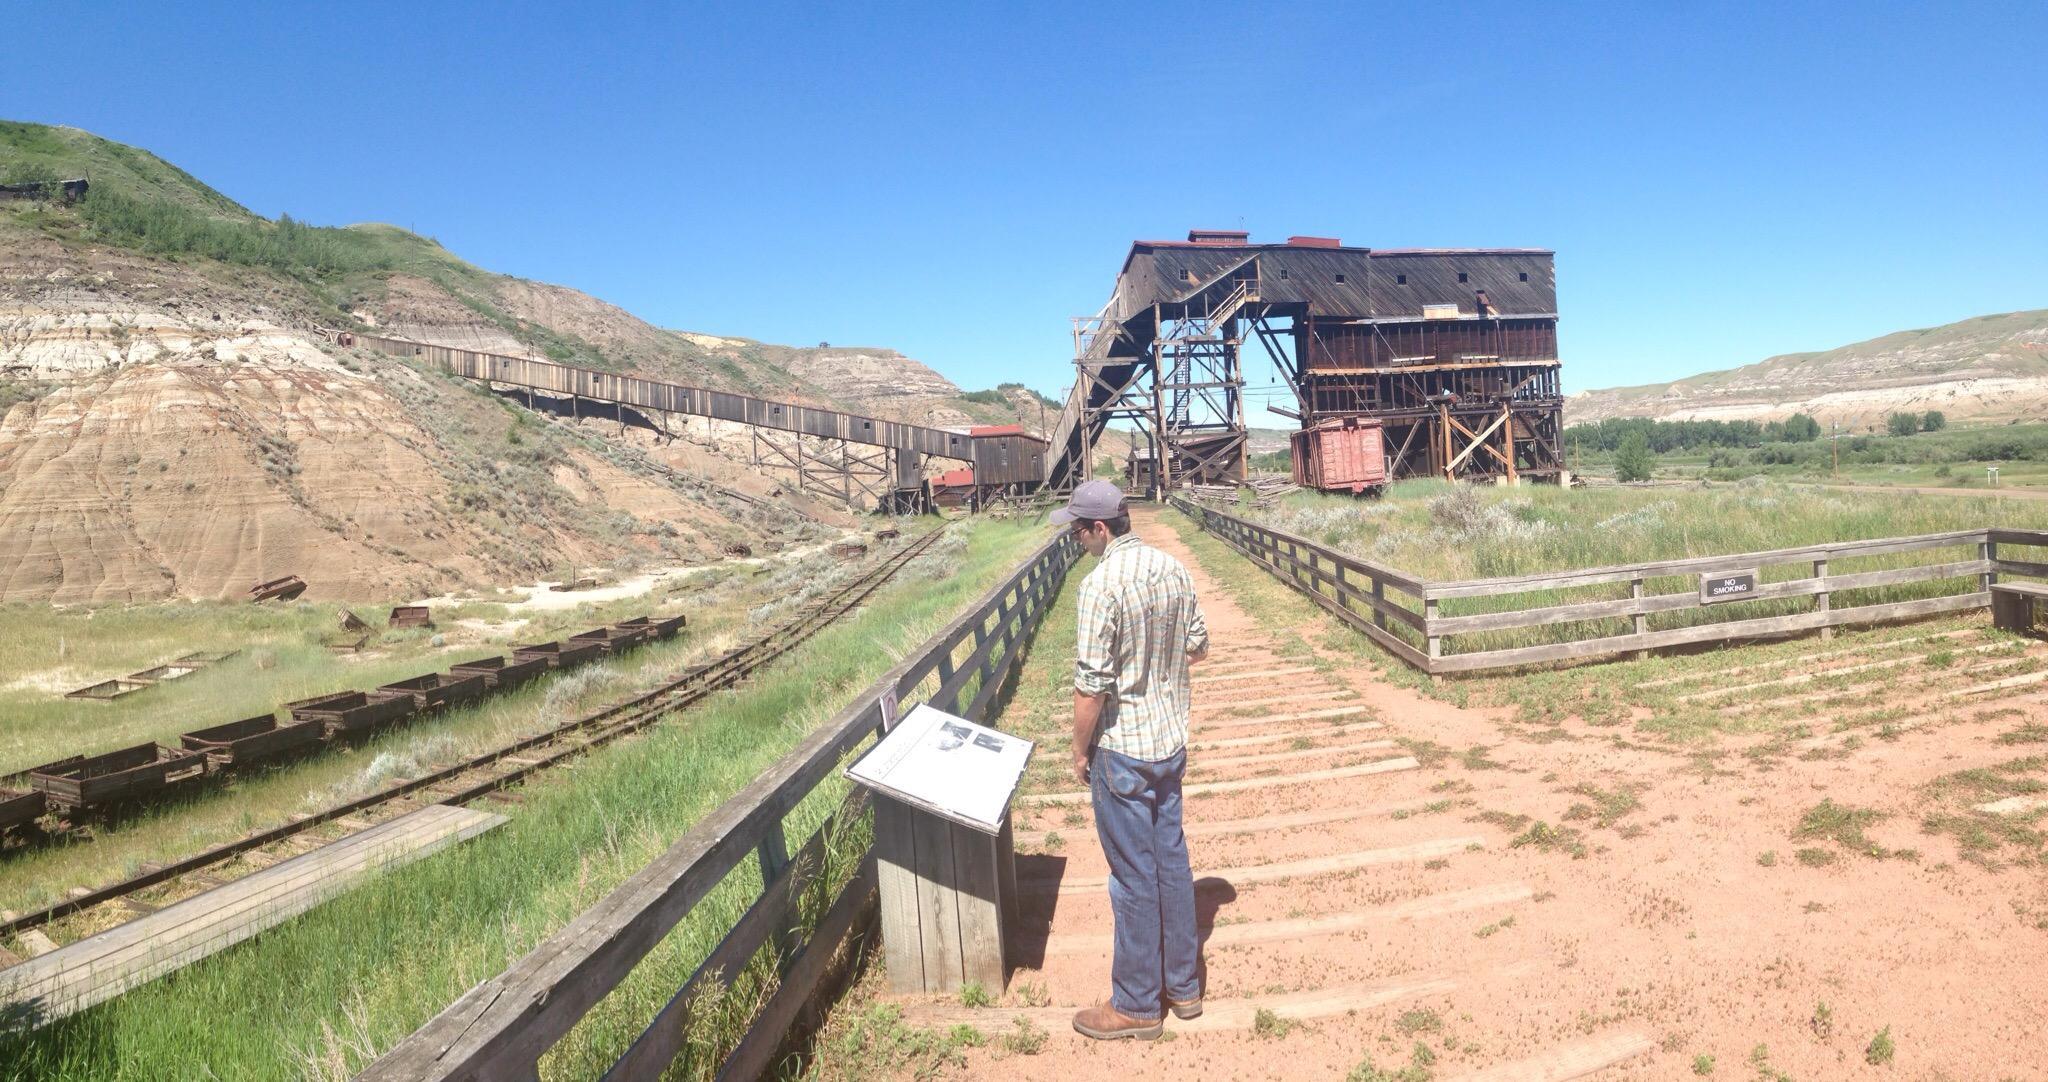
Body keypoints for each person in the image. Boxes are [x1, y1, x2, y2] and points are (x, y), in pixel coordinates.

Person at [1049, 479, 1210, 1040]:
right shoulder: (1173, 569)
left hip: (1122, 750)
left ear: (1100, 528)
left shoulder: (1099, 587)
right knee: (1171, 862)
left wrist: (1077, 749)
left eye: (1077, 529)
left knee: (1133, 876)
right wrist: (1157, 667)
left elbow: (1091, 688)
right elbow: (1198, 644)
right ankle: (1183, 988)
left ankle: (1137, 1005)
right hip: (1170, 741)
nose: (1073, 538)